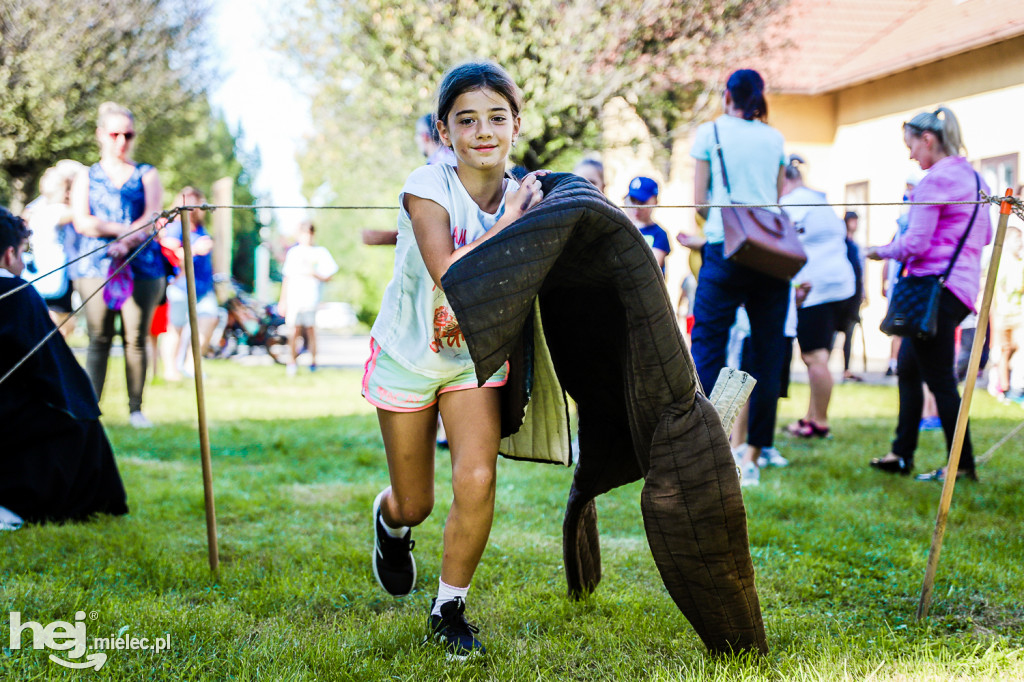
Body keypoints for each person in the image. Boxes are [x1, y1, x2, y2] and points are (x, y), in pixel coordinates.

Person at [362, 61, 546, 659]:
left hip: (475, 361)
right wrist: (515, 218)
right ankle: (391, 524)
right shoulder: (427, 186)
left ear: (516, 124)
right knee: (416, 501)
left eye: (497, 118)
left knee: (477, 475)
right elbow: (452, 271)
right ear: (446, 132)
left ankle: (449, 607)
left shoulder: (530, 192)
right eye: (466, 120)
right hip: (410, 357)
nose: (483, 132)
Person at [866, 106, 991, 481]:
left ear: (928, 139)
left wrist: (879, 251)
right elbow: (983, 236)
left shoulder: (934, 181)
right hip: (959, 288)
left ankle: (961, 466)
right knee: (908, 368)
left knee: (939, 381)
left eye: (911, 147)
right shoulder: (975, 178)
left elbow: (916, 243)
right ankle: (901, 454)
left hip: (933, 288)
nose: (910, 155)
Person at [685, 68, 788, 487]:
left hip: (724, 249)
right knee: (767, 352)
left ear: (727, 94)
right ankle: (755, 454)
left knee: (708, 345)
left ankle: (707, 445)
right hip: (769, 254)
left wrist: (723, 221)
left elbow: (699, 201)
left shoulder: (710, 133)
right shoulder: (775, 138)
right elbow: (776, 199)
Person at [0, 207, 128, 528]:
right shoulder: (17, 293)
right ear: (9, 253)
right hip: (8, 415)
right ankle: (14, 505)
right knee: (77, 420)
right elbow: (52, 371)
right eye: (22, 254)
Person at [70, 102, 166, 429]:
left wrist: (128, 242)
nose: (121, 140)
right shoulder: (86, 175)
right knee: (99, 338)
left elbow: (153, 218)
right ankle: (90, 410)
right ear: (101, 135)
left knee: (136, 338)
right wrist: (121, 232)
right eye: (114, 134)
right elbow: (83, 221)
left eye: (128, 134)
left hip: (142, 265)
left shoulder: (147, 173)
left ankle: (136, 409)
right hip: (94, 264)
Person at [780, 156, 855, 438]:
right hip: (843, 285)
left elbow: (785, 242)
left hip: (816, 288)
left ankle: (819, 421)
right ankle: (812, 416)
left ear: (785, 179)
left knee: (814, 357)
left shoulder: (793, 201)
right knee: (820, 354)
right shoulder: (820, 199)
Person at [160, 187, 218, 380]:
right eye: (189, 203)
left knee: (209, 320)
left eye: (197, 203)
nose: (193, 209)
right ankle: (170, 370)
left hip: (203, 286)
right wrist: (195, 249)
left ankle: (192, 366)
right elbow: (174, 256)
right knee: (175, 328)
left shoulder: (201, 228)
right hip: (180, 286)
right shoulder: (175, 227)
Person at [24, 160, 85, 337]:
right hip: (56, 274)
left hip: (44, 272)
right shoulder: (56, 210)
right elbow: (80, 213)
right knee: (59, 322)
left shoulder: (35, 208)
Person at [279, 220, 338, 376]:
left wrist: (315, 274)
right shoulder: (294, 253)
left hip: (311, 299)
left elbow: (330, 275)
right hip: (294, 299)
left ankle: (313, 363)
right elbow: (287, 278)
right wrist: (282, 300)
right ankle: (291, 363)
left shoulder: (320, 252)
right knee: (294, 331)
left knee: (311, 331)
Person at [624, 176, 670, 275]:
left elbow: (652, 267)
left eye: (642, 202)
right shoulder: (622, 229)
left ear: (655, 202)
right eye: (633, 200)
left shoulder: (659, 234)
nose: (636, 206)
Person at [840, 211, 865, 382]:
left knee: (850, 334)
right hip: (841, 295)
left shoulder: (856, 246)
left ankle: (846, 369)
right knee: (835, 334)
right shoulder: (841, 244)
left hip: (854, 297)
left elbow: (860, 273)